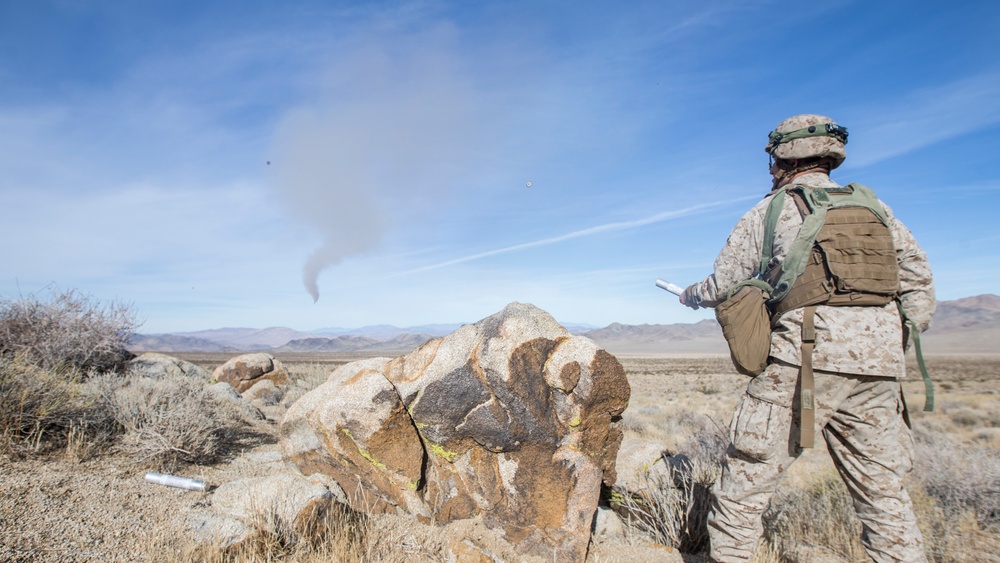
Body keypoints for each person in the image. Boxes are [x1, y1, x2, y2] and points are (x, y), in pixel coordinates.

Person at [679, 114, 935, 562]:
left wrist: (691, 295)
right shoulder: (876, 208)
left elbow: (724, 283)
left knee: (745, 480)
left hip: (806, 359)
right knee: (883, 493)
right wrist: (885, 336)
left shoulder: (772, 208)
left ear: (782, 158)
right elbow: (919, 284)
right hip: (880, 370)